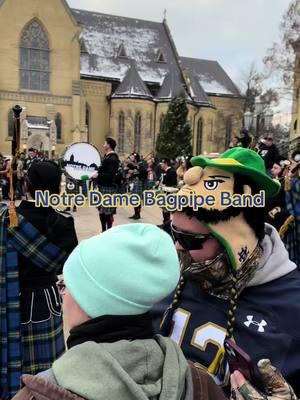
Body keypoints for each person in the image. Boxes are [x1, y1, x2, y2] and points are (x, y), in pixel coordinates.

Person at [12, 224, 227, 400]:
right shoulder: (199, 383)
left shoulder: (40, 392)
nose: (64, 294)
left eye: (67, 286)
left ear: (91, 303)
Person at [154, 148, 300, 396]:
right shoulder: (169, 272)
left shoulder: (292, 305)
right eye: (173, 233)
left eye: (190, 239)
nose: (177, 247)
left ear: (236, 241)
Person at [0, 161, 78, 399]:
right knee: (48, 366)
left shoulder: (7, 218)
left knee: (17, 358)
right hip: (48, 301)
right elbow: (70, 265)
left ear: (26, 185)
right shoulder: (64, 222)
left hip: (12, 300)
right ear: (58, 189)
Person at [96, 137, 119, 232]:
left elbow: (110, 175)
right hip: (103, 187)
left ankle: (108, 232)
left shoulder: (113, 158)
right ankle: (103, 231)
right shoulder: (107, 157)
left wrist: (97, 176)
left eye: (105, 143)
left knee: (107, 213)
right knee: (101, 212)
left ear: (109, 145)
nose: (103, 145)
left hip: (108, 188)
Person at [126, 152, 147, 220]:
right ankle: (136, 213)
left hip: (138, 182)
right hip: (135, 182)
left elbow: (143, 171)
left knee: (137, 198)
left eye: (132, 157)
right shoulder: (135, 164)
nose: (131, 158)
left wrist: (134, 171)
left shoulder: (140, 164)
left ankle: (138, 214)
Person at [160, 158, 178, 224]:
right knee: (164, 209)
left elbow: (174, 183)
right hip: (164, 192)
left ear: (166, 164)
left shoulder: (172, 171)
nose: (161, 165)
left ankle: (167, 223)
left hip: (169, 193)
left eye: (162, 164)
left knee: (167, 209)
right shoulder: (166, 171)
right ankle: (165, 222)